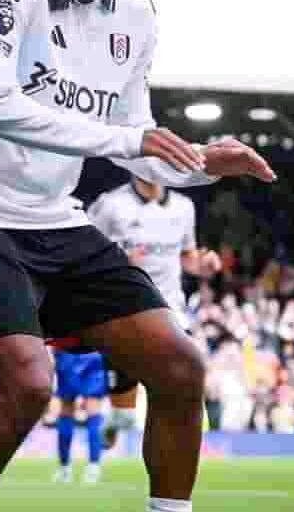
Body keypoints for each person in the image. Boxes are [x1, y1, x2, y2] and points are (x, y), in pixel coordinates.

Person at [0, 0, 276, 511]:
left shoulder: (136, 13)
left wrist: (203, 163)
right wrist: (130, 141)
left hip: (55, 216)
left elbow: (135, 135)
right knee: (28, 385)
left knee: (181, 367)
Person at [87, 175, 222, 448]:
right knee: (125, 416)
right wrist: (117, 261)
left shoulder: (183, 207)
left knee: (176, 385)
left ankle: (169, 466)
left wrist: (202, 265)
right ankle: (115, 422)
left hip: (170, 309)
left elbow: (187, 256)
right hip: (122, 311)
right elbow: (82, 252)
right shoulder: (110, 205)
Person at [50, 346, 107, 484]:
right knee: (94, 411)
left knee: (66, 409)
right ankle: (93, 468)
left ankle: (65, 469)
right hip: (94, 352)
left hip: (67, 351)